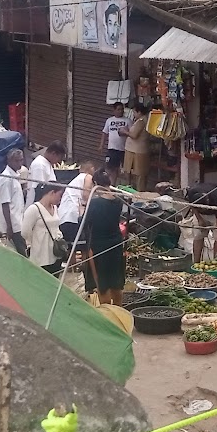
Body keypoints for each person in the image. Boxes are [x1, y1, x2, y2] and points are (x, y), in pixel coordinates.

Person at [80, 168, 128, 305]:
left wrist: (82, 210)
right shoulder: (118, 201)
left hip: (99, 246)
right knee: (116, 281)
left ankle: (107, 313)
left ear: (95, 184)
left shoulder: (94, 203)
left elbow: (83, 222)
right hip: (116, 244)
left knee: (102, 283)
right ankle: (118, 310)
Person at [22, 184, 67, 273]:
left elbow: (57, 226)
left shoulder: (55, 208)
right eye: (59, 195)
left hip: (55, 252)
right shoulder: (34, 209)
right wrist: (34, 242)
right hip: (40, 254)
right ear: (52, 193)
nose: (60, 199)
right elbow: (25, 232)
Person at [0, 147, 29, 254]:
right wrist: (9, 227)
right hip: (13, 224)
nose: (20, 164)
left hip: (18, 221)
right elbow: (5, 204)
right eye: (17, 161)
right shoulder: (6, 178)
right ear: (9, 161)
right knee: (22, 252)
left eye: (21, 160)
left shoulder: (15, 175)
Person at [57, 160, 95, 251]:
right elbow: (86, 195)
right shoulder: (88, 177)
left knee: (70, 247)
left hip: (64, 215)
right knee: (80, 246)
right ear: (91, 169)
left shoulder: (76, 180)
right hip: (73, 214)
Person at [122, 111, 150, 191]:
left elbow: (134, 135)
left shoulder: (141, 121)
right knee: (129, 171)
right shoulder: (140, 120)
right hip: (133, 149)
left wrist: (124, 131)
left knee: (139, 173)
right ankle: (131, 188)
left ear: (139, 112)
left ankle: (139, 191)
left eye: (134, 112)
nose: (133, 114)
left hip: (137, 150)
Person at [102, 102, 132, 172]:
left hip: (124, 149)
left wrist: (125, 133)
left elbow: (132, 133)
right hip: (112, 149)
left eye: (122, 109)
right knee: (112, 169)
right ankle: (113, 179)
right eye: (118, 109)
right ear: (114, 110)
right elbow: (105, 133)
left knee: (126, 170)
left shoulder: (128, 121)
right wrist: (101, 146)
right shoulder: (109, 120)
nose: (120, 111)